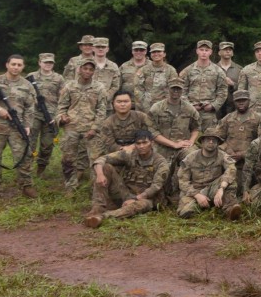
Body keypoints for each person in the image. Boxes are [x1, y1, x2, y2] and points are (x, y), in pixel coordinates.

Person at [0, 54, 38, 200]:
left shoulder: (27, 85)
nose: (16, 67)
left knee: (24, 156)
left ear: (23, 67)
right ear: (7, 65)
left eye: (19, 65)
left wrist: (28, 125)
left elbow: (30, 107)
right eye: (13, 64)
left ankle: (26, 186)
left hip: (18, 127)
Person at [83, 129, 169, 228]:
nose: (141, 146)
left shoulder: (160, 162)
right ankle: (97, 209)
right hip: (126, 193)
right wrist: (100, 174)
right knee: (105, 167)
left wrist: (135, 199)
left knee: (137, 206)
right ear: (135, 145)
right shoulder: (129, 155)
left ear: (152, 143)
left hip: (147, 198)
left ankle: (102, 217)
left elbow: (156, 186)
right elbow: (101, 159)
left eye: (145, 142)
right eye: (138, 143)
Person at [56, 58, 109, 191]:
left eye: (91, 69)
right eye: (85, 68)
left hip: (91, 128)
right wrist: (62, 117)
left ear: (94, 72)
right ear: (79, 69)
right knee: (68, 159)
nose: (88, 71)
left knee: (96, 159)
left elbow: (102, 110)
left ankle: (96, 188)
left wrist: (95, 128)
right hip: (71, 127)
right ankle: (70, 186)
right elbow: (61, 107)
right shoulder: (69, 86)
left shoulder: (99, 88)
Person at [148, 77, 200, 205]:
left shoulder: (189, 109)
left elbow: (196, 128)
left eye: (178, 89)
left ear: (182, 90)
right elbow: (152, 132)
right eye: (173, 89)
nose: (176, 92)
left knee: (194, 156)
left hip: (182, 145)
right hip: (162, 145)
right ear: (167, 89)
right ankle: (161, 194)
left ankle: (192, 192)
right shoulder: (157, 108)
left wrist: (191, 141)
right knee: (161, 171)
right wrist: (173, 144)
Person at [176, 130, 242, 220]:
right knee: (186, 212)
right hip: (195, 190)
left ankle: (230, 209)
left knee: (231, 182)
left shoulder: (222, 155)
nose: (211, 142)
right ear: (202, 142)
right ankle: (200, 207)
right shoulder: (190, 158)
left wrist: (221, 188)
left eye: (214, 140)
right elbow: (183, 181)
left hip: (214, 189)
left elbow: (231, 169)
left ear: (217, 143)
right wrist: (197, 195)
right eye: (208, 139)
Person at [214, 90, 261, 190]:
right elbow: (217, 138)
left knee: (242, 187)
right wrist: (227, 150)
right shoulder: (228, 118)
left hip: (249, 160)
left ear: (249, 101)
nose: (241, 103)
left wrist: (244, 154)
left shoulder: (258, 118)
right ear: (234, 102)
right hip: (228, 158)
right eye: (238, 101)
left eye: (244, 100)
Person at [27, 53, 64, 177]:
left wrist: (59, 114)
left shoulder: (59, 78)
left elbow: (63, 97)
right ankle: (26, 168)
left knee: (47, 144)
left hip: (51, 116)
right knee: (30, 141)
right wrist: (34, 100)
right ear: (39, 63)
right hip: (34, 114)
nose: (48, 64)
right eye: (45, 62)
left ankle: (41, 168)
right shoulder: (31, 77)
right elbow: (24, 94)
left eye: (50, 62)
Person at [179, 40, 228, 132]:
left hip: (209, 113)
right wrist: (189, 106)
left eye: (206, 50)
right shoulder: (187, 71)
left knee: (209, 137)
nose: (204, 52)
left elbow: (223, 91)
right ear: (197, 51)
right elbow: (181, 90)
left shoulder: (218, 71)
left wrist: (213, 105)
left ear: (211, 52)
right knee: (188, 137)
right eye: (201, 50)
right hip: (190, 112)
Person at [133, 43, 178, 111]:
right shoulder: (143, 70)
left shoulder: (171, 70)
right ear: (151, 55)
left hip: (164, 108)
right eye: (153, 52)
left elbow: (174, 89)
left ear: (164, 54)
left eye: (159, 51)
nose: (156, 54)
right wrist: (144, 105)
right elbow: (138, 89)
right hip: (145, 108)